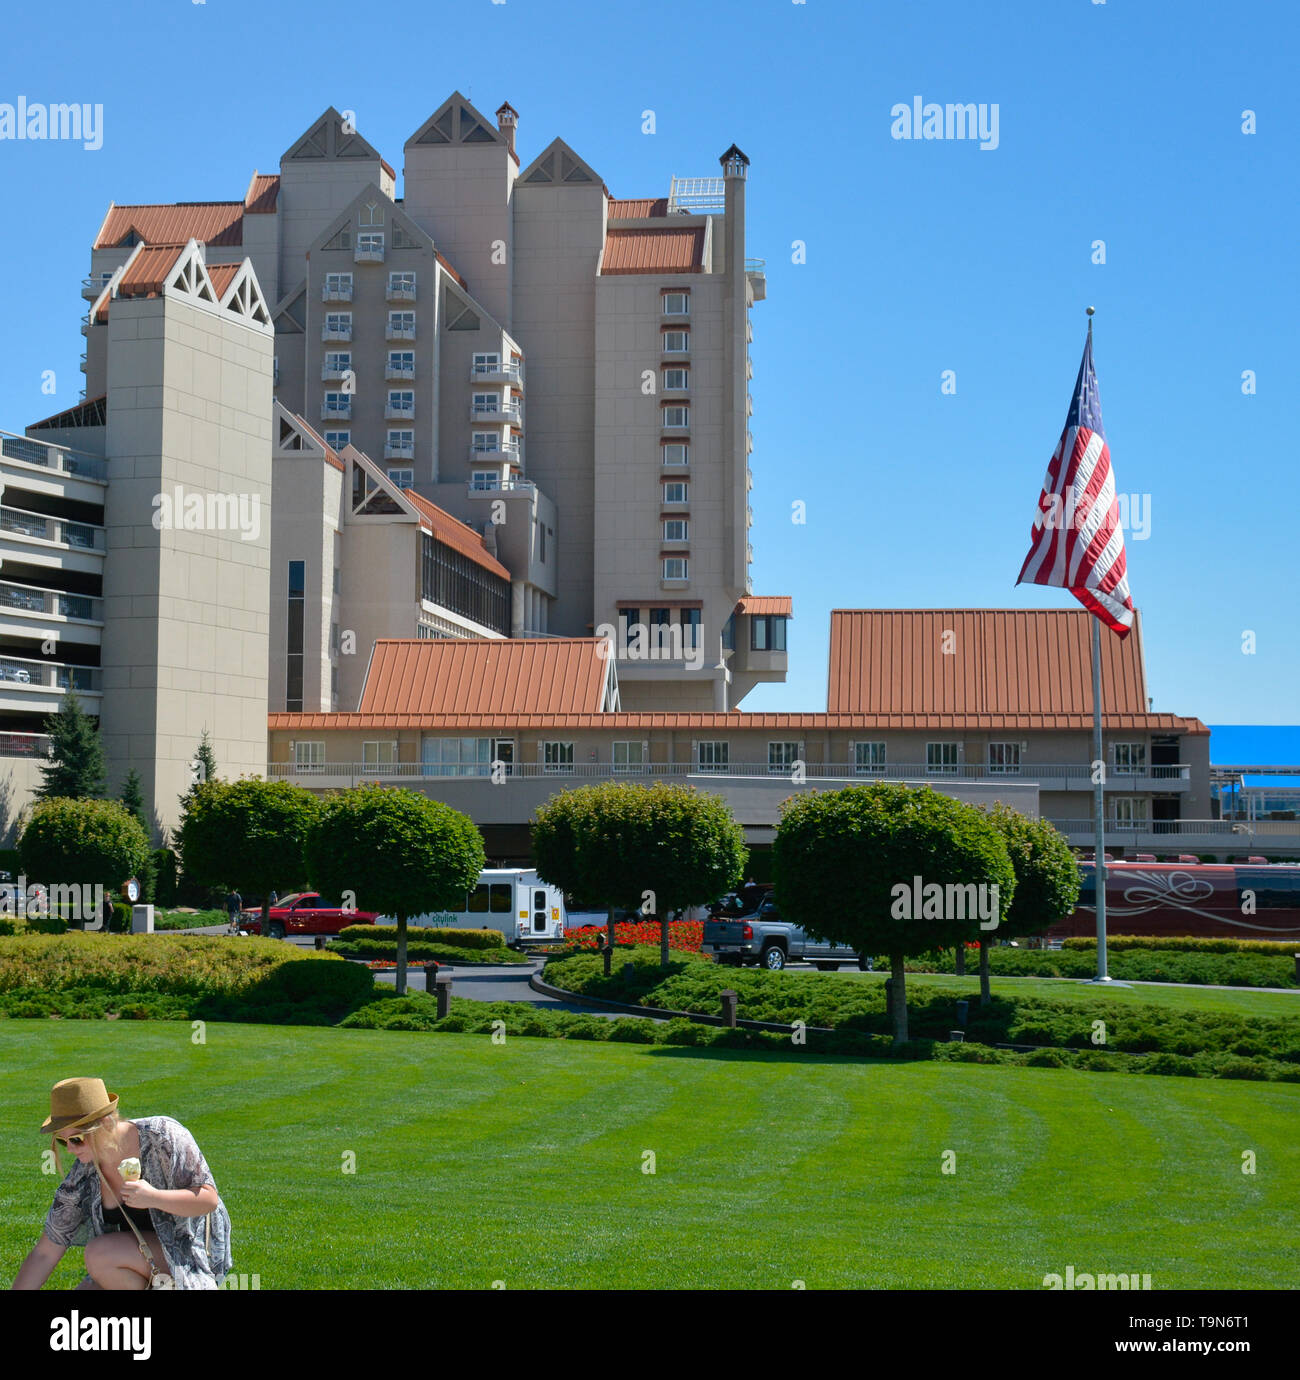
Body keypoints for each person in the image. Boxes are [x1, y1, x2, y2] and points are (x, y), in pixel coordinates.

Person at [10, 1077, 232, 1291]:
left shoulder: (163, 1136)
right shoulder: (83, 1175)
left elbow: (208, 1199)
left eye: (77, 1139)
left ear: (106, 1123)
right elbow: (46, 1252)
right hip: (136, 1263)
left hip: (190, 1255)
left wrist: (153, 1197)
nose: (70, 1149)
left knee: (99, 1254)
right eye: (62, 1140)